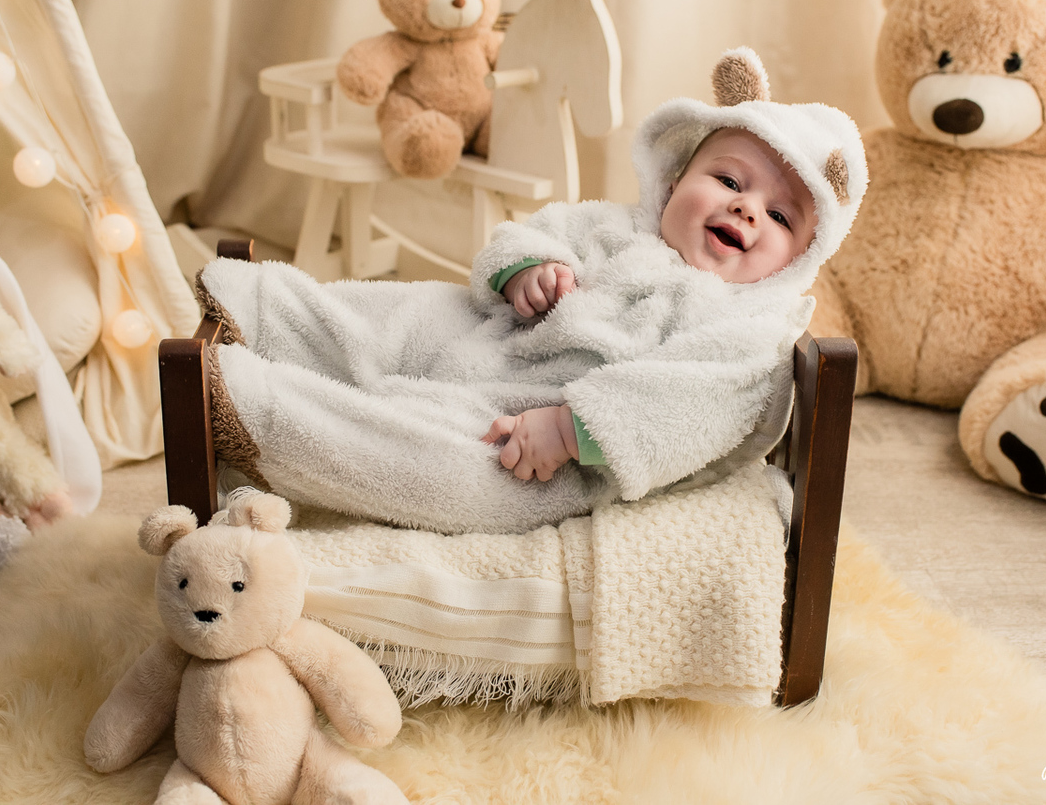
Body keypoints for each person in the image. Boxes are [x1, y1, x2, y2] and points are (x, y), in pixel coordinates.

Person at [196, 48, 867, 534]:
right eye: (729, 180)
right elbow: (524, 233)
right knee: (405, 309)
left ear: (796, 261)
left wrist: (573, 430)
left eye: (781, 217)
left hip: (534, 441)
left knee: (446, 470)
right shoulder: (610, 226)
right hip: (490, 339)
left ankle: (261, 412)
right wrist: (526, 268)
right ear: (673, 181)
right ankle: (261, 307)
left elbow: (690, 404)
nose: (747, 208)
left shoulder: (746, 333)